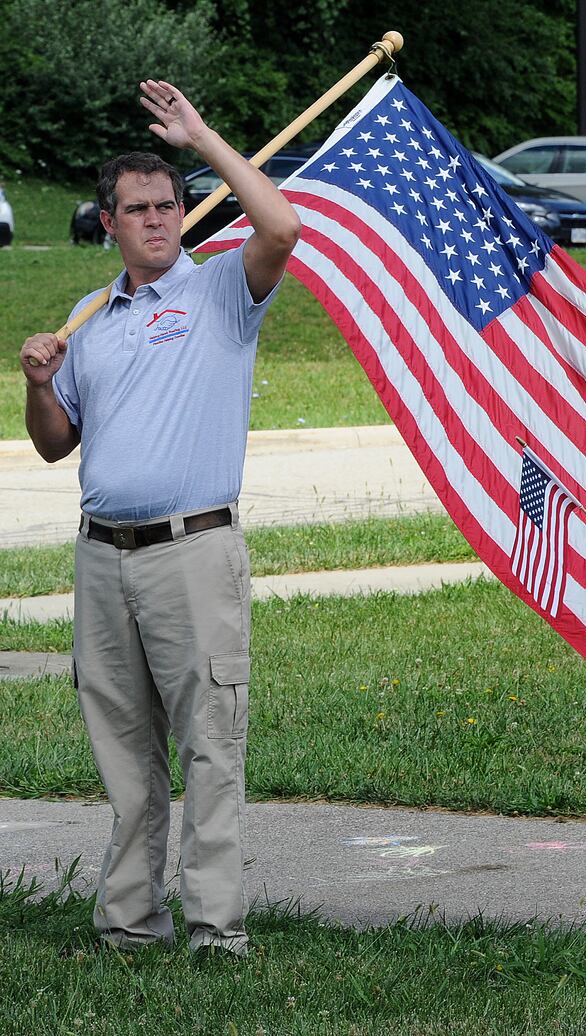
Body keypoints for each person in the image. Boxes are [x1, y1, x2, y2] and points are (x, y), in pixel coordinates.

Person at [20, 80, 300, 959]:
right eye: (136, 209)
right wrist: (34, 383)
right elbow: (55, 445)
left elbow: (283, 229)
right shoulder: (88, 320)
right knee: (124, 752)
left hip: (194, 550)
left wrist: (203, 134)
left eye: (167, 205)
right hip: (104, 560)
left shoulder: (221, 291)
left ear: (185, 211)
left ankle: (216, 929)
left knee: (210, 743)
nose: (155, 220)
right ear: (107, 221)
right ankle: (131, 923)